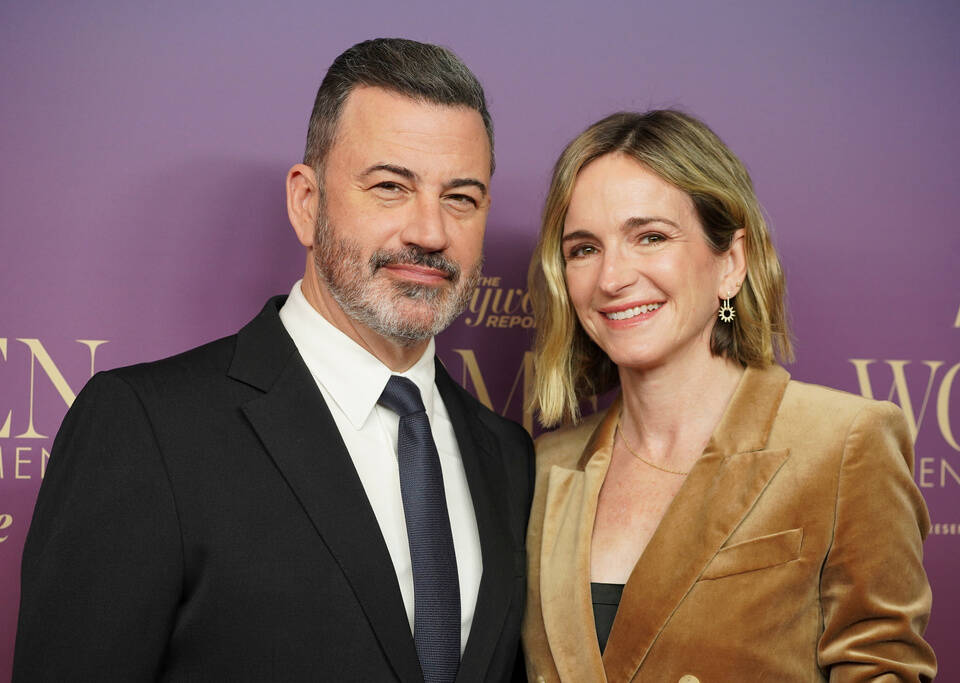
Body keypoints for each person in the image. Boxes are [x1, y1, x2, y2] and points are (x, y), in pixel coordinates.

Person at [14, 38, 533, 683]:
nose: (429, 232)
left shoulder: (508, 456)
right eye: (390, 187)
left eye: (460, 198)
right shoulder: (146, 429)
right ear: (306, 202)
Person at [521, 110, 935, 681]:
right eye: (584, 249)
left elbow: (883, 668)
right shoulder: (542, 468)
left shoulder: (845, 444)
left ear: (731, 263)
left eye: (650, 237)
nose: (612, 278)